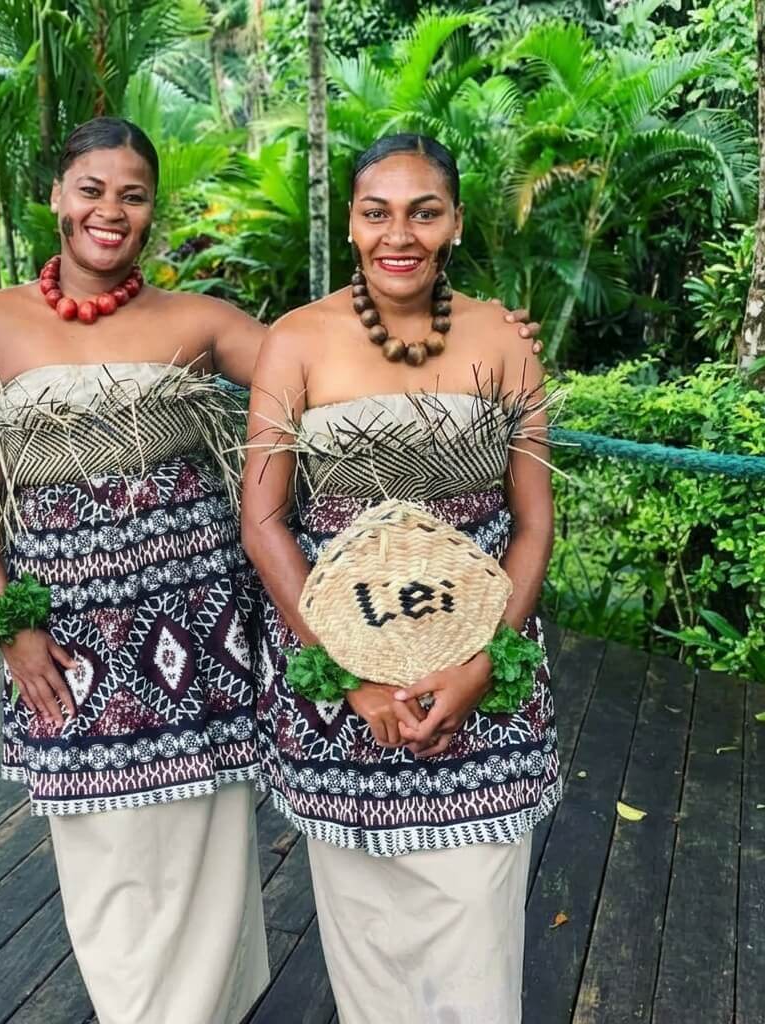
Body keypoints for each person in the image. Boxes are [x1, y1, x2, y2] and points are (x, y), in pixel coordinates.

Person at [0, 117, 270, 1024]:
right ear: (57, 196)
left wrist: (456, 321)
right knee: (110, 863)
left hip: (199, 626)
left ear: (151, 211)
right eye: (92, 188)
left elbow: (319, 370)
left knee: (207, 847)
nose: (110, 211)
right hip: (69, 635)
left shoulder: (195, 319)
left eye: (132, 195)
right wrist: (9, 623)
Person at [241, 133, 560, 1024]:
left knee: (475, 926)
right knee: (368, 931)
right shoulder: (297, 341)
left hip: (484, 673)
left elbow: (533, 519)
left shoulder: (501, 336)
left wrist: (487, 660)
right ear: (351, 222)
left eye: (425, 211)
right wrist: (348, 674)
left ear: (455, 222)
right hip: (343, 685)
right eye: (377, 211)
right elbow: (265, 522)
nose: (401, 234)